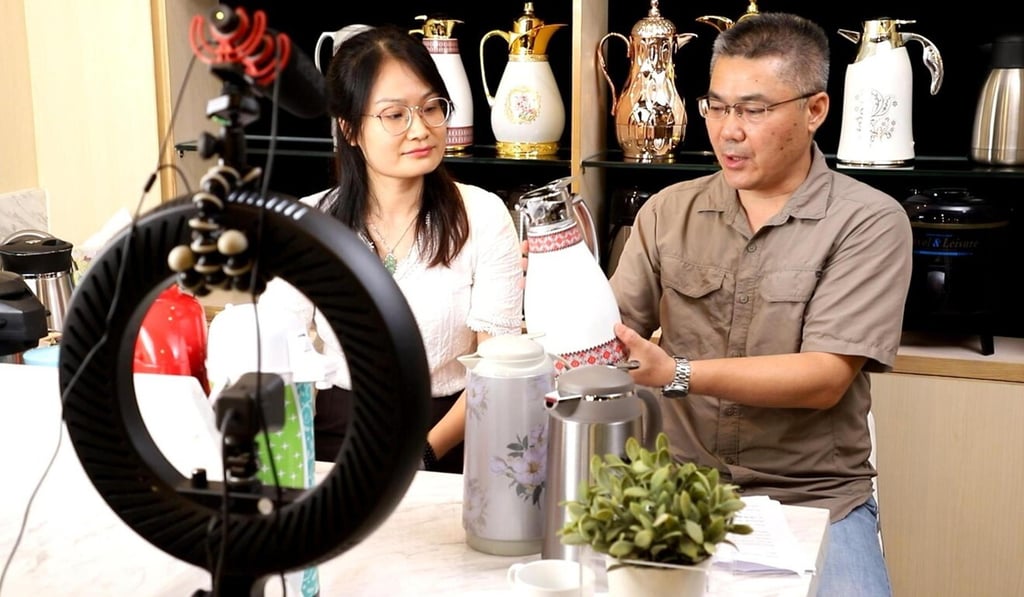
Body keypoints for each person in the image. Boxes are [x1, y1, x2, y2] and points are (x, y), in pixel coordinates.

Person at [609, 13, 911, 596]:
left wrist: (675, 374)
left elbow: (824, 377)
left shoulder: (868, 221)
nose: (728, 131)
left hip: (814, 498)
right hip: (672, 490)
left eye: (753, 110)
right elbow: (609, 335)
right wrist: (554, 282)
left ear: (815, 110)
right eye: (717, 107)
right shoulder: (668, 212)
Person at [261, 24, 523, 472]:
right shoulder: (309, 225)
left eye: (430, 108)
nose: (420, 129)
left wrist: (422, 452)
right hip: (334, 439)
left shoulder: (483, 215)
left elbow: (497, 369)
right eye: (394, 115)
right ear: (350, 129)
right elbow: (274, 351)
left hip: (448, 439)